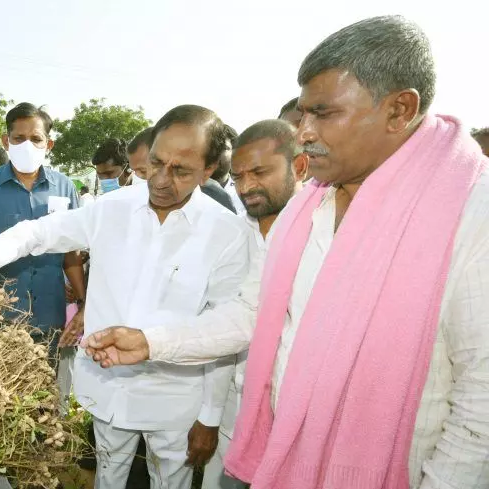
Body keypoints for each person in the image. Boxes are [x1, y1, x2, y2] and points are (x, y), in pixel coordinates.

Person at [84, 16, 489, 489]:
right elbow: (249, 315)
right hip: (292, 464)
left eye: (323, 113)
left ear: (399, 110)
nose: (305, 133)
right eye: (304, 114)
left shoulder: (469, 214)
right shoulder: (309, 208)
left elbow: (479, 406)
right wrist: (152, 341)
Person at [0, 104, 256, 489]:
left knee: (169, 482)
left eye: (180, 171)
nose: (160, 179)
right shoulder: (112, 208)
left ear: (208, 171)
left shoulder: (227, 233)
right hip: (108, 389)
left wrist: (209, 417)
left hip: (174, 400)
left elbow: (225, 327)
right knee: (108, 477)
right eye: (155, 163)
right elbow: (35, 234)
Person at [202, 119, 307, 489]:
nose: (246, 187)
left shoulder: (323, 235)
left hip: (295, 426)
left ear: (299, 167)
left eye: (260, 173)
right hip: (235, 416)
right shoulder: (233, 232)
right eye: (240, 175)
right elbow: (221, 322)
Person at [0, 102, 86, 343]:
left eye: (36, 138)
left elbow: (72, 252)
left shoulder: (65, 187)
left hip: (51, 318)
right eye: (19, 138)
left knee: (48, 380)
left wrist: (82, 302)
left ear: (48, 144)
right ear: (5, 141)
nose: (27, 145)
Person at [211, 125, 246, 215]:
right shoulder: (187, 191)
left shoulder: (246, 192)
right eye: (211, 147)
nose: (215, 153)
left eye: (223, 148)